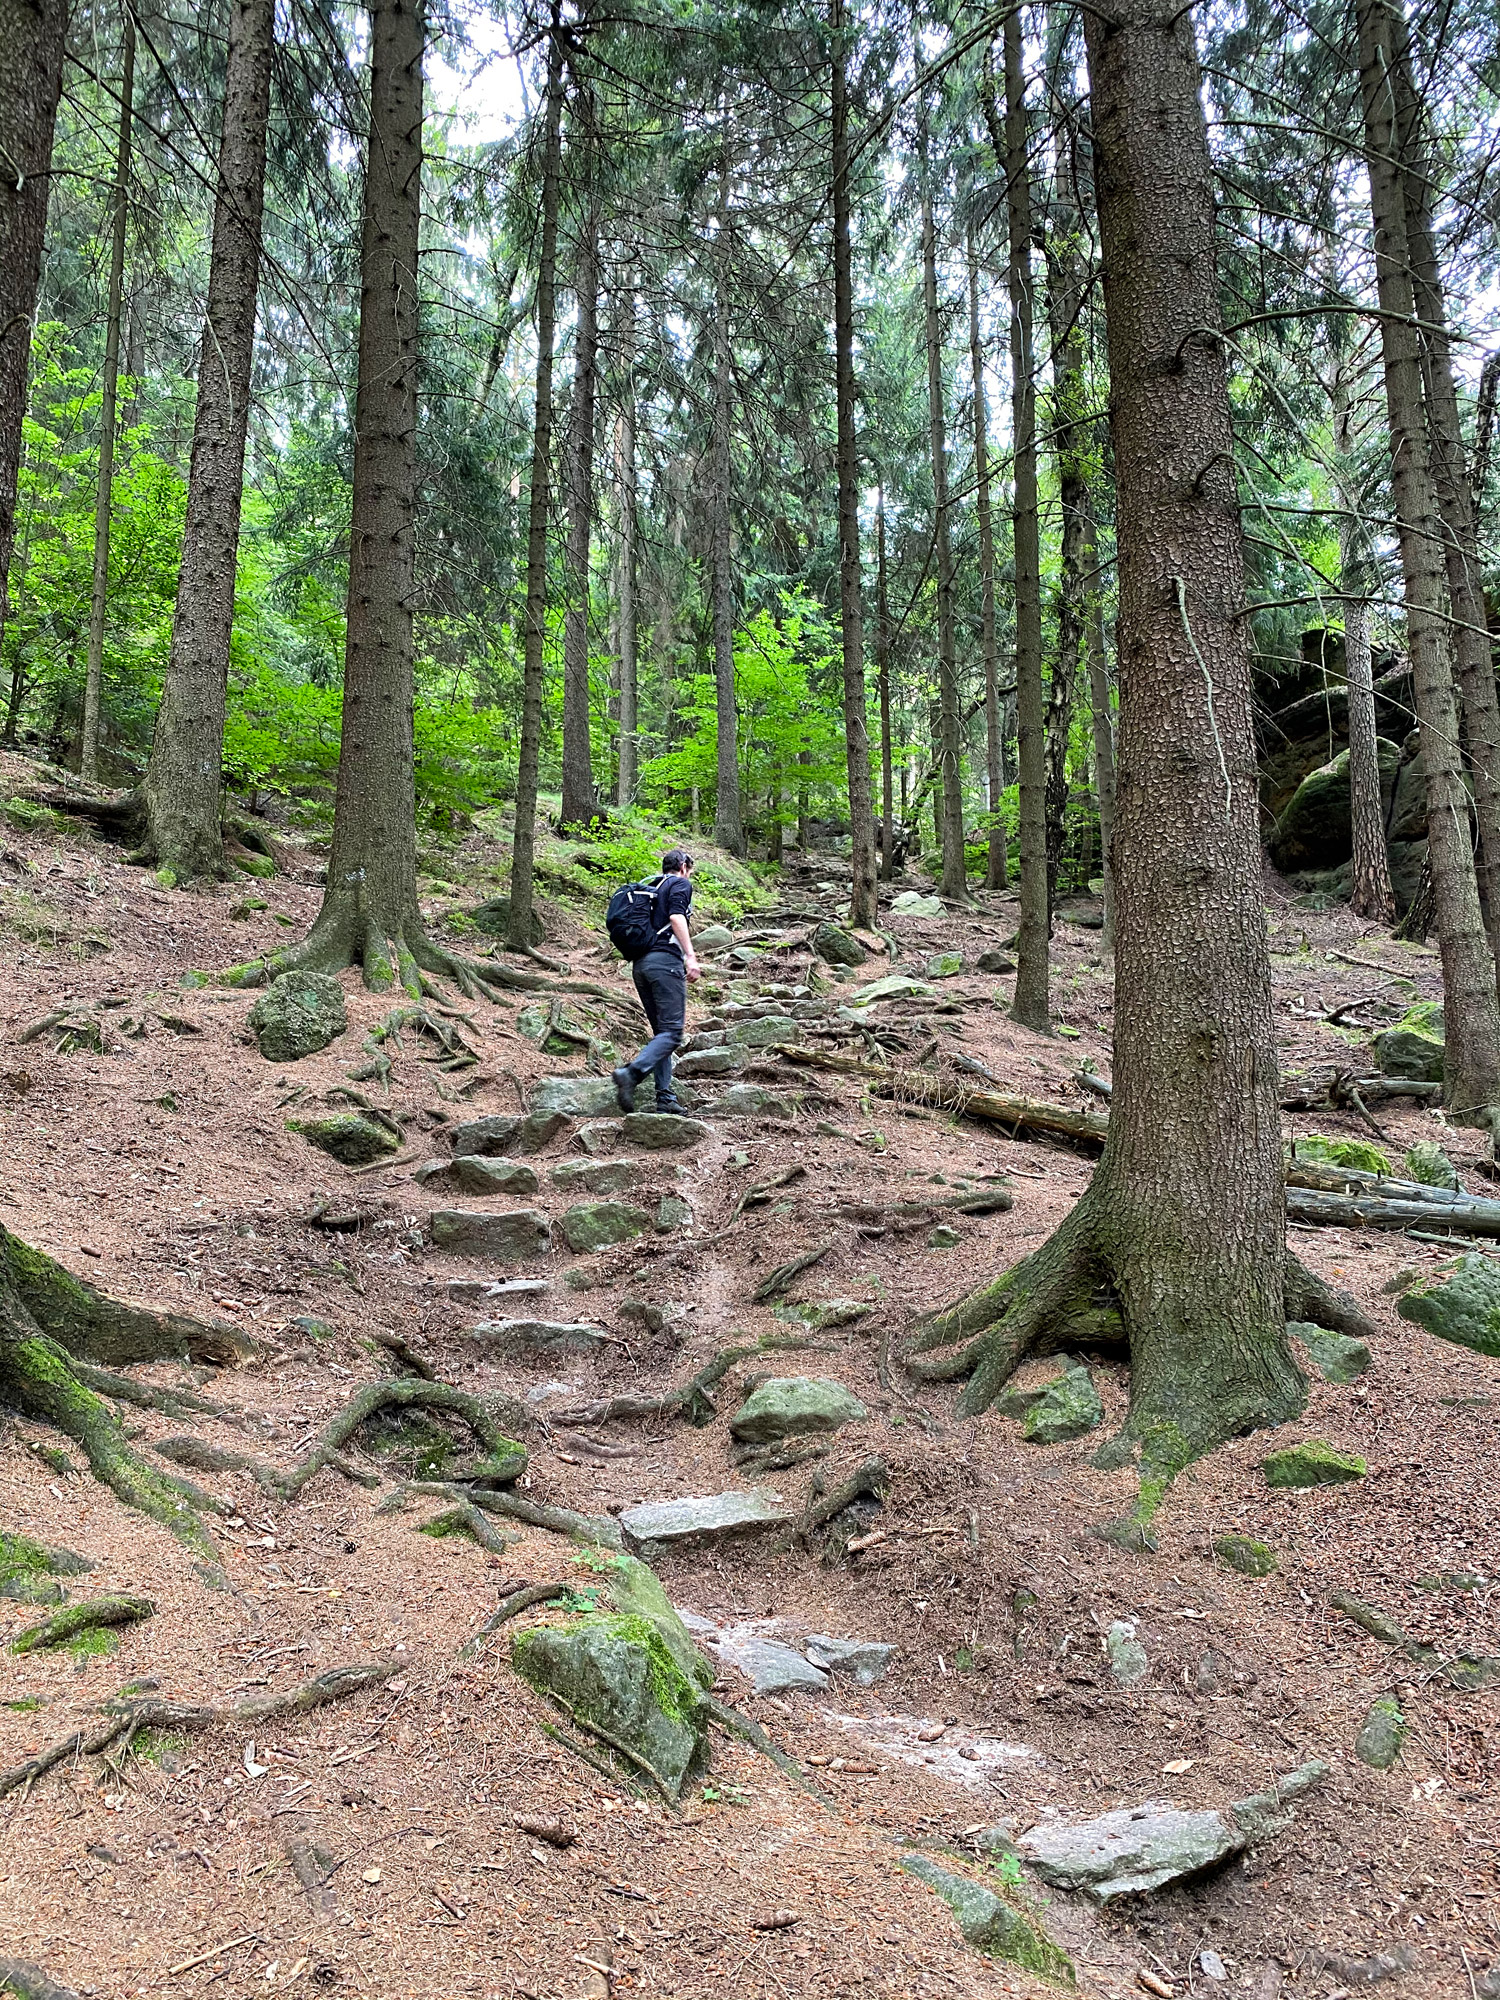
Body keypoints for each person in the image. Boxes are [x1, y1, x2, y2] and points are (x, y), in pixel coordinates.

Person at [613, 848, 700, 1113]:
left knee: (662, 1034)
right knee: (672, 1033)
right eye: (690, 870)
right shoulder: (679, 884)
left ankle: (665, 1097)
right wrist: (690, 956)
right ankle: (632, 1073)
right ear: (683, 866)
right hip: (665, 964)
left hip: (641, 965)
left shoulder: (651, 886)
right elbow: (676, 917)